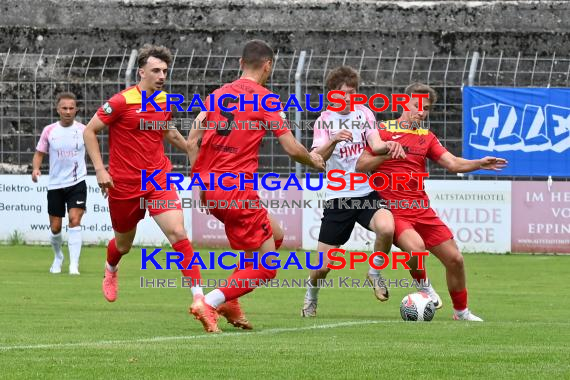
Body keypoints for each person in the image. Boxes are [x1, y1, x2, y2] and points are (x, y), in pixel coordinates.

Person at [187, 39, 325, 333]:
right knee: (267, 267)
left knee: (275, 233)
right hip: (236, 190)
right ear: (268, 66)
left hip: (212, 188)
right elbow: (290, 147)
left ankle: (230, 302)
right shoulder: (267, 100)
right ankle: (209, 302)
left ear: (240, 63)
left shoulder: (216, 95)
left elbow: (193, 137)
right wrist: (312, 159)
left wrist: (200, 179)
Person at [356, 82, 507, 321]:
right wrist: (386, 152)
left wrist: (480, 163)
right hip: (394, 210)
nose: (421, 112)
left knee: (455, 260)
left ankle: (461, 312)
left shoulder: (426, 137)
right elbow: (361, 166)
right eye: (417, 106)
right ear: (403, 103)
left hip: (422, 210)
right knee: (416, 248)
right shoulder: (381, 131)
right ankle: (424, 287)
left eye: (426, 108)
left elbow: (453, 163)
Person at [83, 44, 203, 306]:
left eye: (165, 71)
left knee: (178, 232)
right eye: (156, 70)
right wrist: (101, 170)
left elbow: (168, 132)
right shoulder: (121, 101)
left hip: (158, 180)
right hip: (123, 184)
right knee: (123, 245)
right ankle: (111, 269)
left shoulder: (164, 100)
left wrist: (195, 150)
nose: (162, 76)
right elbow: (89, 131)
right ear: (141, 72)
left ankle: (200, 299)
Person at [300, 66, 406, 318]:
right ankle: (311, 294)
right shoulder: (324, 121)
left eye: (353, 92)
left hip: (366, 192)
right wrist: (334, 139)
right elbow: (316, 158)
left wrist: (388, 145)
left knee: (387, 228)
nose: (348, 97)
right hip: (338, 198)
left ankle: (375, 271)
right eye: (343, 93)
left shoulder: (365, 113)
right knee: (323, 267)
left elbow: (376, 144)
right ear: (332, 95)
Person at [32, 92, 86, 275]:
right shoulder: (49, 131)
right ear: (58, 109)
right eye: (64, 108)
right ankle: (58, 257)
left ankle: (74, 266)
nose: (68, 111)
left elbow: (94, 151)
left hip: (77, 182)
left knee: (75, 220)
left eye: (72, 108)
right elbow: (39, 153)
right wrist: (35, 169)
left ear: (76, 110)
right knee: (55, 227)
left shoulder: (84, 130)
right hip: (55, 185)